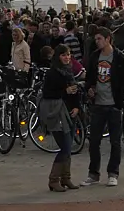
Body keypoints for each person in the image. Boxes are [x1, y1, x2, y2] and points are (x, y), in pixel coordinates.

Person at [81, 27, 124, 188]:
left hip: (113, 104)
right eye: (95, 39)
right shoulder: (95, 56)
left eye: (99, 39)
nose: (97, 42)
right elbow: (89, 77)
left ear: (108, 38)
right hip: (98, 104)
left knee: (115, 141)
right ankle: (93, 173)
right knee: (94, 141)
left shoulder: (120, 57)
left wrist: (121, 102)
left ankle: (113, 173)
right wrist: (90, 88)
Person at [38, 44, 81, 192]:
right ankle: (54, 179)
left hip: (70, 113)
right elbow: (48, 93)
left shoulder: (68, 72)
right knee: (65, 147)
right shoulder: (52, 73)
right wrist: (64, 91)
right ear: (58, 56)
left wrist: (77, 106)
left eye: (68, 54)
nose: (67, 57)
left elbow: (75, 91)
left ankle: (66, 178)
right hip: (57, 114)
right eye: (63, 55)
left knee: (68, 148)